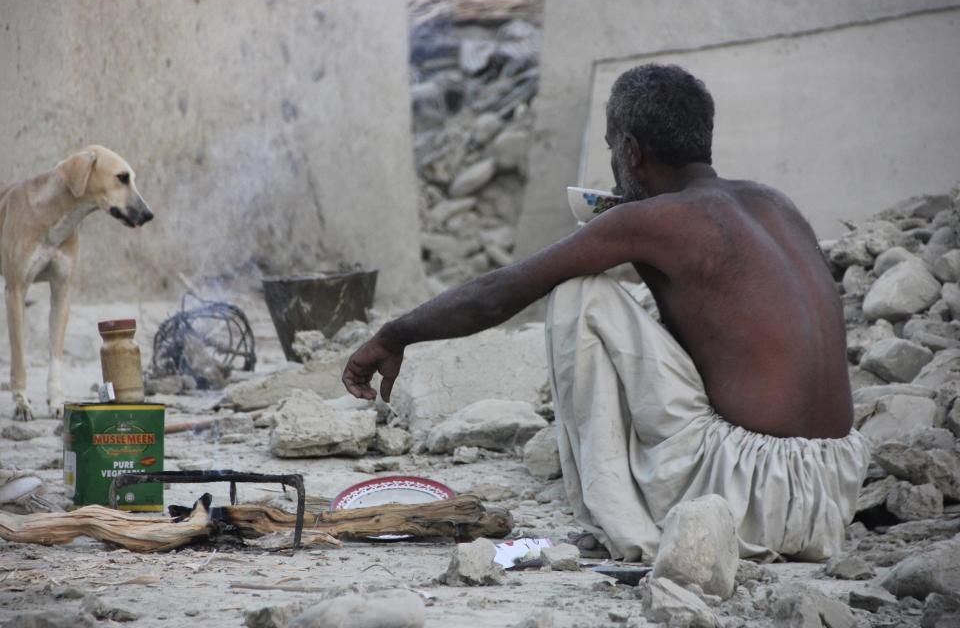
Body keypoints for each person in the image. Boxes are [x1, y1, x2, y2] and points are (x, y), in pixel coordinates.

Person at [343, 64, 870, 562]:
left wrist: (395, 334)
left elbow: (499, 294)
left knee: (579, 292)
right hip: (830, 497)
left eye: (612, 151)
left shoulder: (653, 220)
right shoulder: (774, 204)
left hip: (744, 501)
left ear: (631, 152)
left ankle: (626, 527)